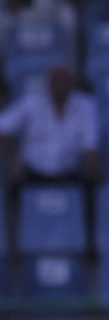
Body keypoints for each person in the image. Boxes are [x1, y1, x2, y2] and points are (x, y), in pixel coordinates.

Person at [0, 63, 100, 249]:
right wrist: (12, 162)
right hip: (33, 171)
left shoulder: (85, 106)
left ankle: (88, 247)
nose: (59, 87)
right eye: (55, 82)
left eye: (64, 82)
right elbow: (2, 128)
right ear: (48, 84)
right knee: (11, 188)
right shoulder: (31, 103)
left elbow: (90, 145)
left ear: (71, 84)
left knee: (93, 187)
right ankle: (16, 248)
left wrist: (94, 167)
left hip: (68, 171)